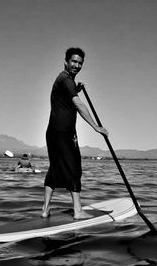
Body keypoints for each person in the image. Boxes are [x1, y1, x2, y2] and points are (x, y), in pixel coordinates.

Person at [42, 47, 108, 219]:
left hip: (52, 132)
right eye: (74, 61)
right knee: (74, 167)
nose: (77, 65)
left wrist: (76, 89)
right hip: (65, 132)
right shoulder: (67, 80)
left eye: (80, 63)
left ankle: (45, 209)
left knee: (55, 168)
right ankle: (78, 211)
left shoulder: (62, 79)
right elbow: (79, 105)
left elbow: (65, 98)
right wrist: (96, 127)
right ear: (66, 61)